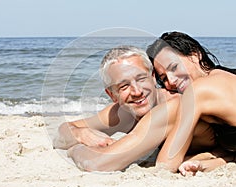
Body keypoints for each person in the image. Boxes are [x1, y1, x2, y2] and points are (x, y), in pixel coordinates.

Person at [55, 45, 217, 171]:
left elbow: (97, 164)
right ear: (112, 95)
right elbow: (62, 132)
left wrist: (75, 149)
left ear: (153, 78)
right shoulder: (121, 113)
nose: (137, 92)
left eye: (141, 79)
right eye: (124, 86)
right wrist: (80, 133)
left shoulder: (172, 106)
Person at [145, 31, 236, 175]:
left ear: (195, 55)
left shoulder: (198, 91)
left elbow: (166, 164)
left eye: (174, 67)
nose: (171, 81)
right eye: (164, 78)